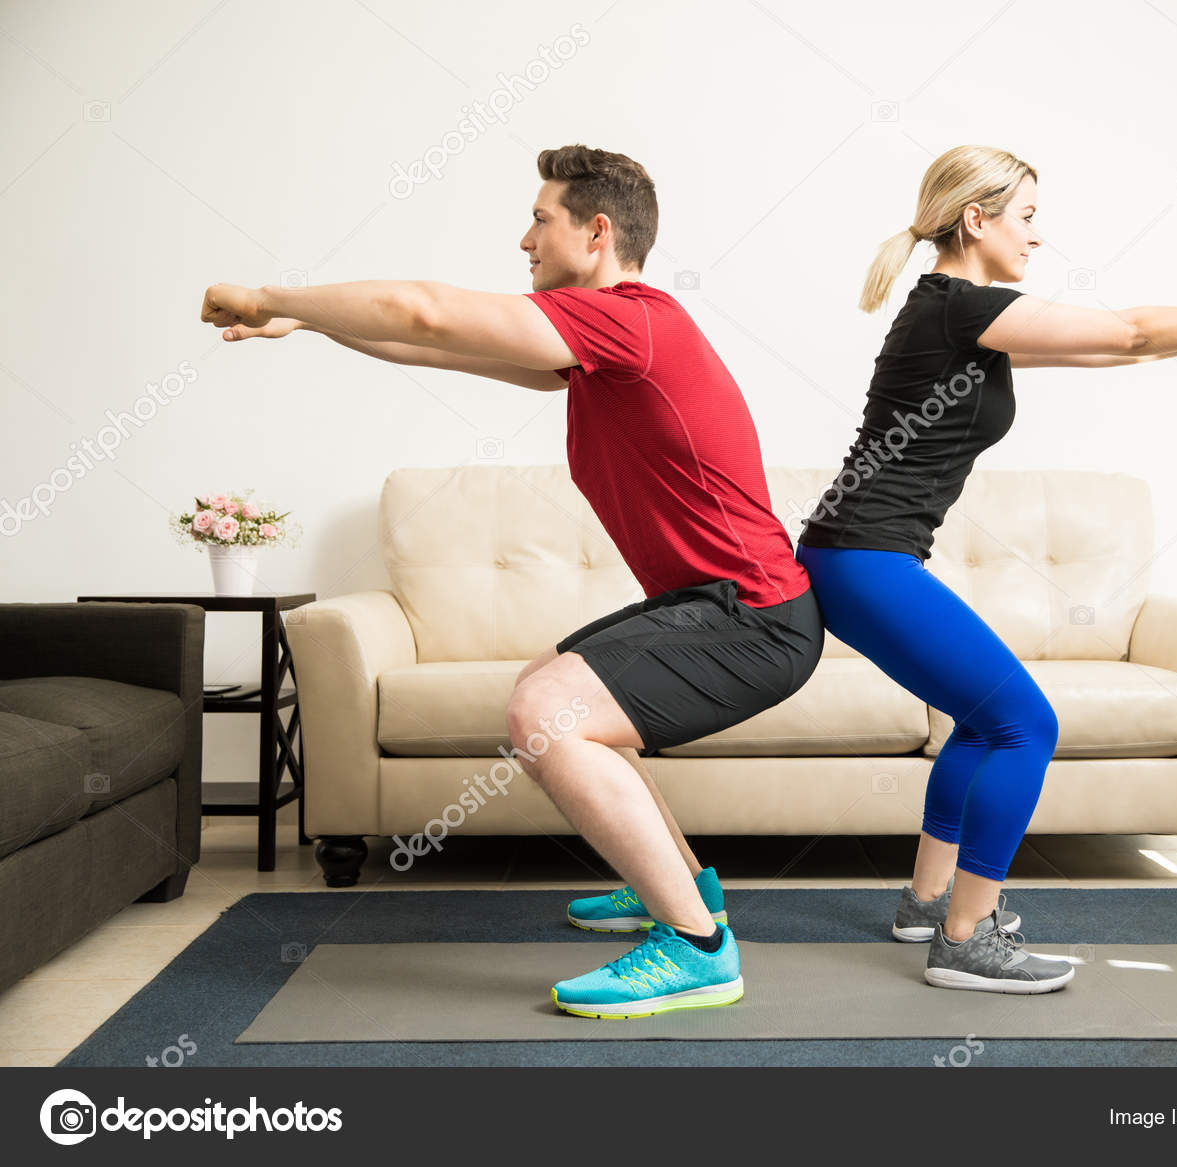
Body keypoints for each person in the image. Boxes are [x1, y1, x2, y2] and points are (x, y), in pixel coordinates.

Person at [200, 143, 825, 1019]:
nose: (524, 238)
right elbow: (436, 348)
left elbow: (421, 311)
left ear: (596, 232)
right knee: (545, 687)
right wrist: (310, 325)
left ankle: (695, 948)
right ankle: (682, 889)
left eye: (541, 218)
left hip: (756, 615)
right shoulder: (601, 345)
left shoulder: (631, 320)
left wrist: (270, 294)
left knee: (546, 717)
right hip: (720, 607)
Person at [795, 144, 1177, 994]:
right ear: (976, 219)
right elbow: (1127, 328)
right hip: (862, 558)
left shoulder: (961, 315)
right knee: (1028, 725)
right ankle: (967, 937)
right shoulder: (959, 306)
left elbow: (1112, 350)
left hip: (860, 555)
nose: (1036, 236)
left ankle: (929, 903)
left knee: (985, 721)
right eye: (1025, 217)